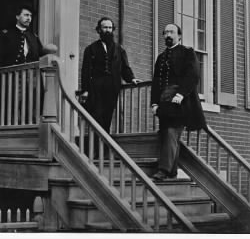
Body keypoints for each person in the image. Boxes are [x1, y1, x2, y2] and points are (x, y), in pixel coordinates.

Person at [151, 23, 207, 181]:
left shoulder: (187, 53)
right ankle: (172, 171)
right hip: (164, 101)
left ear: (179, 36)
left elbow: (193, 75)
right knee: (165, 134)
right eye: (166, 32)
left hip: (180, 101)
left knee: (171, 132)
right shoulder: (161, 57)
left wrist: (181, 94)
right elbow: (156, 82)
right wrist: (154, 103)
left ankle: (163, 170)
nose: (168, 35)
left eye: (172, 32)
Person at [80, 16, 141, 133]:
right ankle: (99, 146)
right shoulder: (90, 49)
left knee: (107, 118)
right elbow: (86, 71)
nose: (108, 30)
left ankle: (102, 147)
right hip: (96, 88)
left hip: (112, 87)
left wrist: (132, 79)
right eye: (105, 28)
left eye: (110, 28)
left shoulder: (119, 49)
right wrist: (85, 90)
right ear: (99, 30)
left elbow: (125, 68)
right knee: (97, 117)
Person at [0, 4, 56, 70]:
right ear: (17, 16)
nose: (29, 18)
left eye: (30, 16)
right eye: (26, 15)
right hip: (11, 78)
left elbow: (40, 54)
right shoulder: (6, 34)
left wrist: (48, 50)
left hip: (32, 79)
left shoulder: (33, 37)